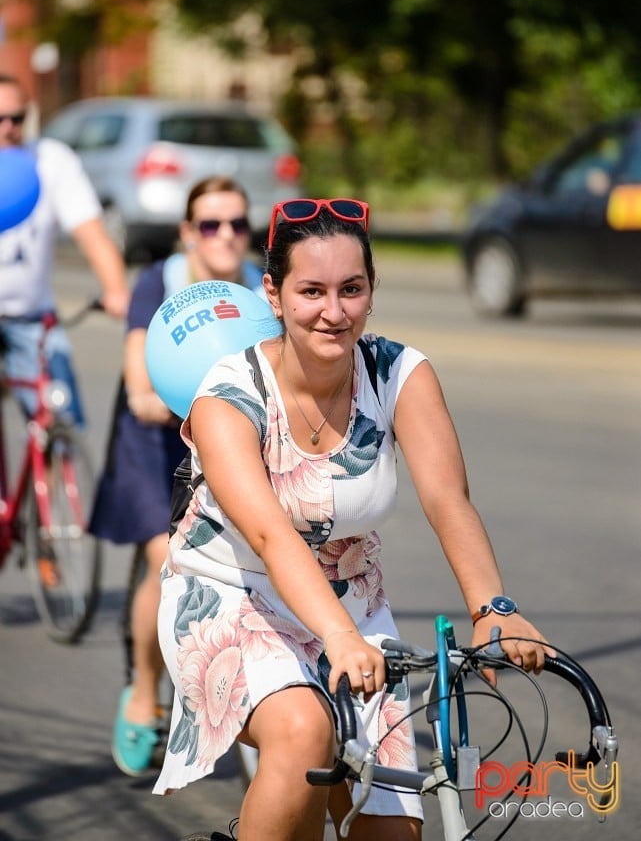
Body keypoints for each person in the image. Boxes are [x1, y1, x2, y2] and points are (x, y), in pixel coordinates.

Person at [152, 198, 551, 840]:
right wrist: (337, 638)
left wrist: (494, 610)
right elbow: (270, 536)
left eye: (351, 290)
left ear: (370, 292)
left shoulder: (399, 373)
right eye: (311, 290)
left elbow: (449, 499)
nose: (333, 312)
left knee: (391, 833)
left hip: (355, 606)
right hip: (232, 595)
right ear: (274, 295)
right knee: (305, 730)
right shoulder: (227, 395)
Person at [89, 175, 265, 777]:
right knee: (167, 562)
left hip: (229, 441)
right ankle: (143, 691)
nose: (226, 236)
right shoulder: (157, 283)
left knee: (251, 562)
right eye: (211, 224)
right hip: (156, 440)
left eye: (237, 223)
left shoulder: (257, 294)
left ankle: (251, 696)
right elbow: (140, 387)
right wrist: (176, 399)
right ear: (189, 232)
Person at [0, 73, 129, 424]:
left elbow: (92, 233)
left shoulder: (51, 160)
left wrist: (117, 291)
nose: (9, 127)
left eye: (17, 117)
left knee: (59, 414)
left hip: (33, 316)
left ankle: (56, 472)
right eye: (0, 118)